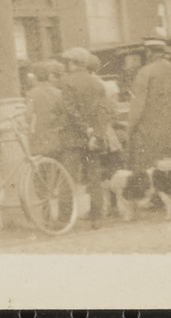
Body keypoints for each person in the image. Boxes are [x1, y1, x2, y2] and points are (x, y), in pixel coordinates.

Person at [56, 47, 112, 229]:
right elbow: (104, 111)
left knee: (68, 178)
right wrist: (97, 133)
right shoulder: (97, 83)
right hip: (93, 139)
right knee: (94, 177)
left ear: (73, 63)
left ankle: (64, 219)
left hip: (73, 138)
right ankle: (97, 218)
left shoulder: (66, 81)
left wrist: (85, 129)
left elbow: (69, 110)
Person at [127, 38, 171, 170]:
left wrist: (130, 129)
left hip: (152, 134)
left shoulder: (145, 72)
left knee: (154, 171)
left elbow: (137, 106)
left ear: (149, 52)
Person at [24, 61, 62, 159]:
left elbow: (28, 116)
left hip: (41, 136)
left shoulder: (32, 94)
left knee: (41, 166)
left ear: (35, 77)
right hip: (58, 135)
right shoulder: (58, 92)